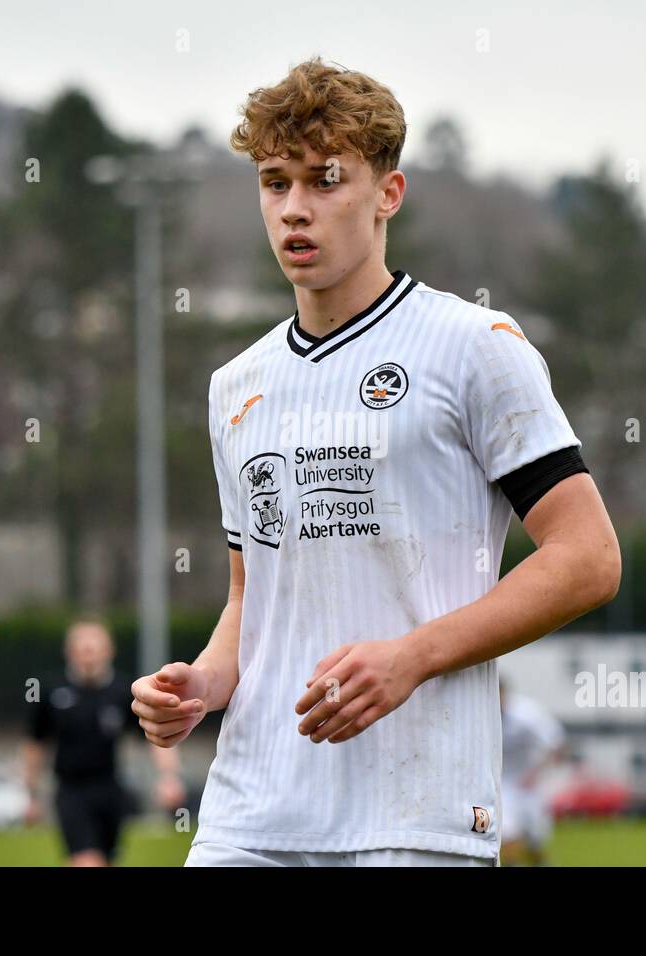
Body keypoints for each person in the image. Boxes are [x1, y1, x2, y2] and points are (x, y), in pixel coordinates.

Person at [131, 57, 620, 867]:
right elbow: (252, 590)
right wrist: (209, 682)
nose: (295, 208)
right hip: (253, 811)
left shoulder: (474, 348)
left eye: (327, 180)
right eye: (274, 181)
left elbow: (588, 560)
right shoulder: (236, 386)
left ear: (387, 194)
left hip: (413, 813)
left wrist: (411, 658)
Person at [24, 619, 185, 866]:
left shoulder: (123, 691)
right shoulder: (50, 692)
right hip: (71, 791)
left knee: (103, 860)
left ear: (109, 651)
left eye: (94, 649)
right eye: (82, 650)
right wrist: (31, 795)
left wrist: (168, 777)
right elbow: (35, 744)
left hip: (111, 789)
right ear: (70, 652)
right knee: (88, 860)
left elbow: (154, 736)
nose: (88, 657)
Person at [499, 680, 567, 866]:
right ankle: (512, 863)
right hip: (503, 782)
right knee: (507, 831)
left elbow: (557, 744)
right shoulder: (483, 715)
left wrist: (537, 772)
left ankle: (540, 861)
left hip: (530, 782)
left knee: (535, 836)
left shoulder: (527, 714)